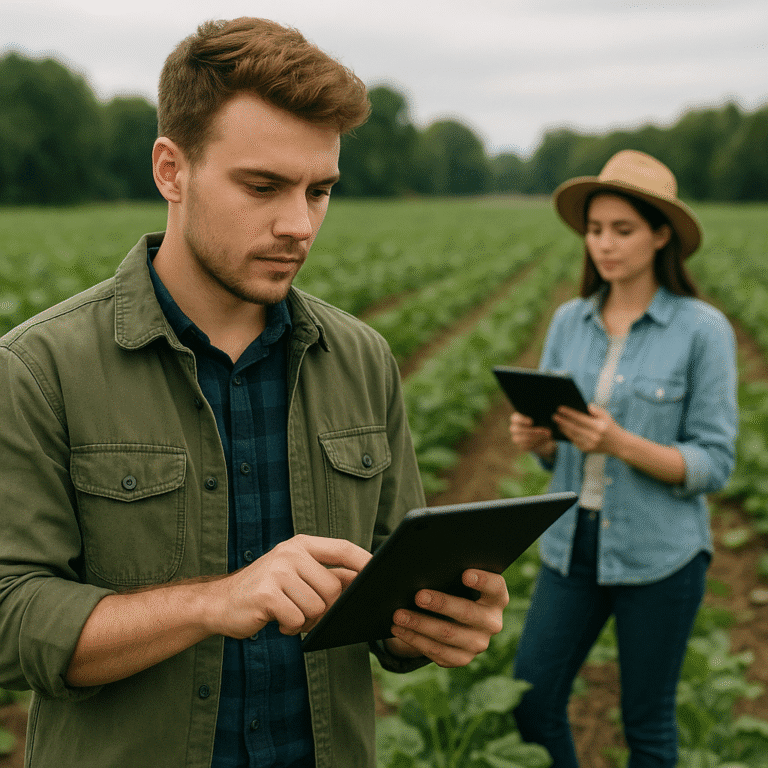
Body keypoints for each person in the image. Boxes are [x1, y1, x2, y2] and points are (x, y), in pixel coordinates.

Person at [0, 18, 508, 768]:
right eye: (263, 186)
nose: (298, 224)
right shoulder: (41, 367)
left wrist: (428, 622)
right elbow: (11, 620)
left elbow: (386, 588)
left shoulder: (363, 359)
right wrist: (214, 602)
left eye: (320, 190)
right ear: (171, 170)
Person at [508, 150, 738, 767]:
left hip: (662, 555)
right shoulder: (568, 321)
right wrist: (543, 443)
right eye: (595, 229)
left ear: (662, 235)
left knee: (647, 725)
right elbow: (560, 451)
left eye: (623, 230)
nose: (604, 244)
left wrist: (620, 444)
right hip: (570, 547)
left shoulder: (701, 330)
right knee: (531, 700)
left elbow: (714, 463)